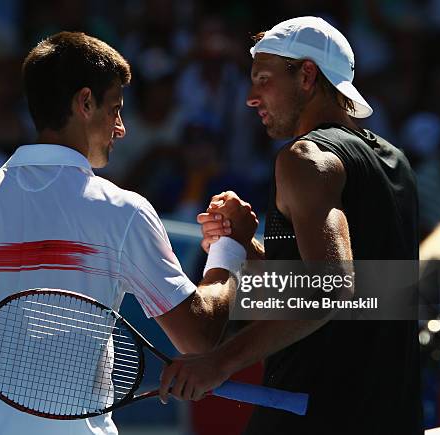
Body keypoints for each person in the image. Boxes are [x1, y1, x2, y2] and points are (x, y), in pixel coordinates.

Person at [0, 32, 255, 435]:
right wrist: (229, 249)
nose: (120, 128)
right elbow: (200, 338)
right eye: (115, 109)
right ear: (85, 103)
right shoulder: (123, 213)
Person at [159, 17, 422, 434]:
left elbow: (331, 289)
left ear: (306, 74)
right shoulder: (396, 163)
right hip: (391, 416)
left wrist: (217, 363)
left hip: (314, 417)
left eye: (263, 80)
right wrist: (247, 246)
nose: (250, 97)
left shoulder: (303, 159)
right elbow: (363, 297)